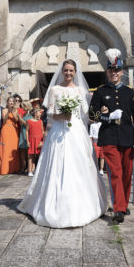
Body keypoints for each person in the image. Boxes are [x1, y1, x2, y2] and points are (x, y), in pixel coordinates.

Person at [18, 59, 108, 228]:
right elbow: (50, 114)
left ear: (75, 72)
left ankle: (83, 204)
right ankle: (52, 204)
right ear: (61, 72)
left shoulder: (81, 91)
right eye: (65, 70)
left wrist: (102, 109)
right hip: (59, 131)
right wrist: (62, 115)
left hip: (76, 131)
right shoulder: (54, 90)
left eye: (71, 70)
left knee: (78, 165)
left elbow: (86, 112)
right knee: (57, 164)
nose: (68, 73)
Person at [89, 49, 134, 224]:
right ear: (107, 72)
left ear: (122, 72)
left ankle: (123, 203)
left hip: (128, 137)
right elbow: (92, 114)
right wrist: (108, 117)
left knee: (127, 173)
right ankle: (118, 208)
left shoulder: (131, 92)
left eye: (117, 70)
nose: (114, 73)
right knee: (115, 173)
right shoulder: (100, 91)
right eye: (111, 71)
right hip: (109, 137)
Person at [0, 96, 23, 175]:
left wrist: (13, 111)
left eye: (13, 101)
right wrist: (8, 112)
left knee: (13, 149)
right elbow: (4, 120)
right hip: (6, 129)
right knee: (6, 149)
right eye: (10, 101)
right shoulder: (4, 110)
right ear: (7, 102)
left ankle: (13, 169)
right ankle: (5, 169)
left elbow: (16, 120)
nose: (11, 103)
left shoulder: (16, 110)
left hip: (13, 130)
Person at [26, 107, 44, 176]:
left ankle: (39, 170)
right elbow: (27, 131)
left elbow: (42, 131)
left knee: (40, 155)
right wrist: (27, 141)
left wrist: (42, 141)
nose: (40, 113)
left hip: (39, 140)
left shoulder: (41, 121)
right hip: (32, 139)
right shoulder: (29, 121)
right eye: (39, 112)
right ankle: (30, 171)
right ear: (35, 113)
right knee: (31, 156)